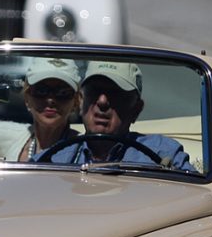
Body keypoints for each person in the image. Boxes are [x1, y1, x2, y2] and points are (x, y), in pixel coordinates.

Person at [61, 60, 194, 170]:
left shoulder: (163, 154)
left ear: (136, 110)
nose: (102, 102)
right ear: (80, 102)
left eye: (114, 93)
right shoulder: (56, 157)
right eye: (94, 91)